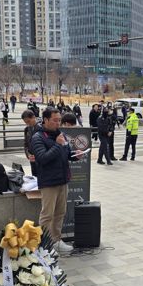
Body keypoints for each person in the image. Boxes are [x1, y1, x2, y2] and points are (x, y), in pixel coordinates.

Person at [30, 107, 84, 254]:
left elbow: (65, 154)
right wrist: (57, 145)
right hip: (48, 182)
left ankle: (56, 240)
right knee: (47, 214)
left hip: (63, 179)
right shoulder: (38, 137)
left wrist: (75, 155)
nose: (58, 123)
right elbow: (42, 158)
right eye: (55, 120)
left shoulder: (60, 135)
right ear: (46, 120)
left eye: (59, 120)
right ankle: (45, 244)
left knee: (60, 212)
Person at [21, 109, 40, 176]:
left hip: (41, 159)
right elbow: (26, 144)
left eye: (28, 121)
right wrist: (28, 154)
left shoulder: (42, 128)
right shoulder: (27, 129)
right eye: (25, 122)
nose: (27, 124)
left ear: (34, 117)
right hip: (32, 159)